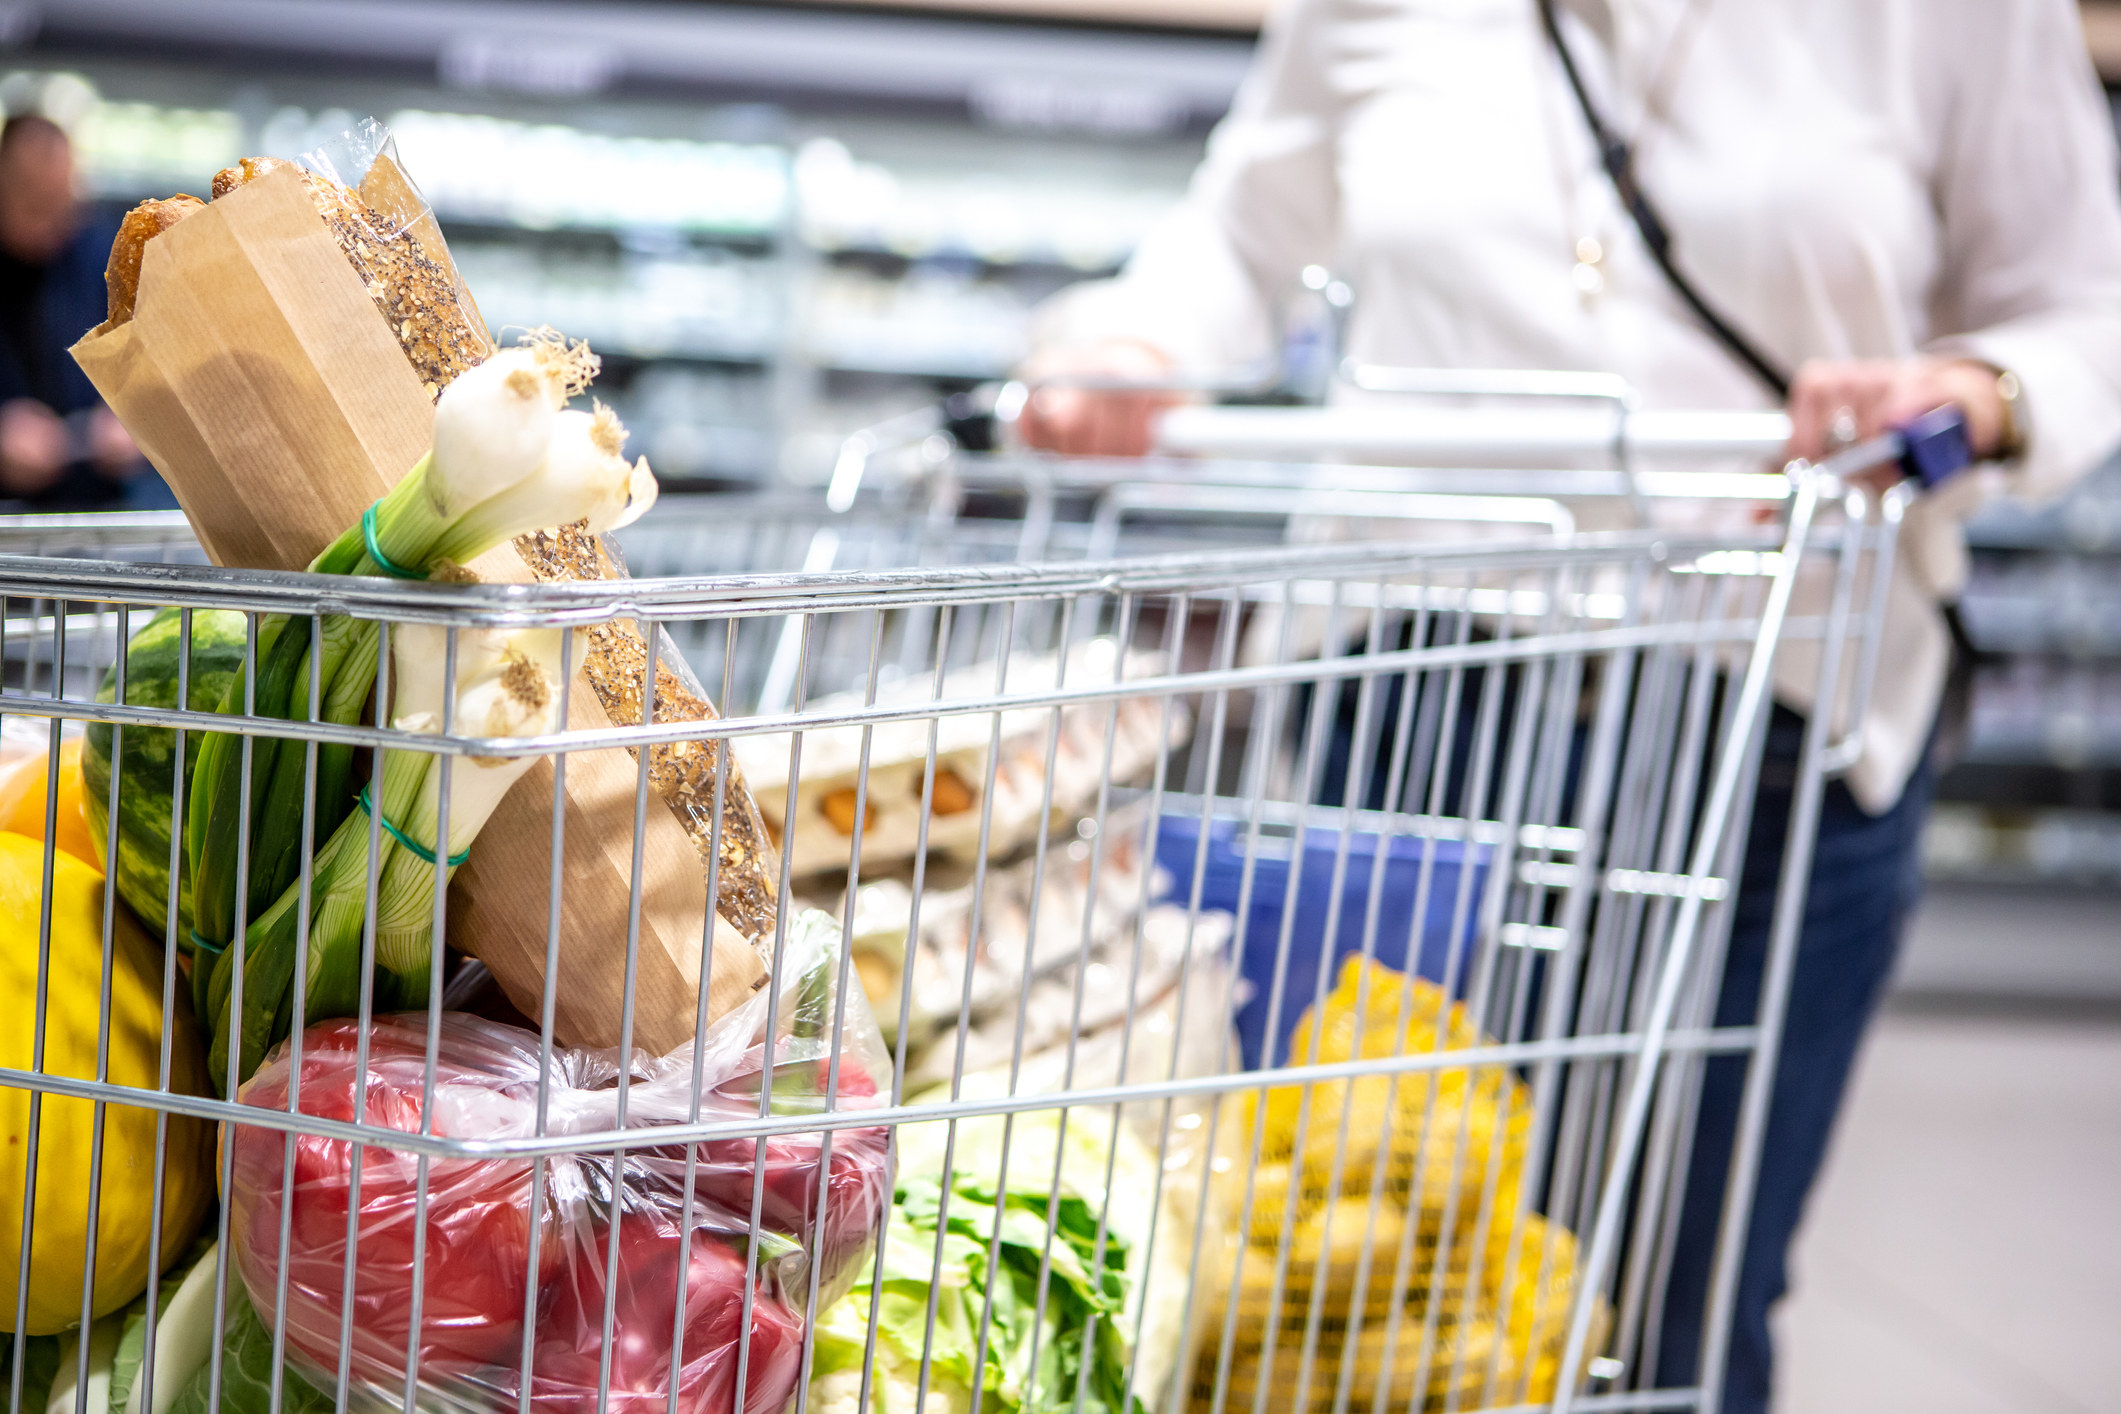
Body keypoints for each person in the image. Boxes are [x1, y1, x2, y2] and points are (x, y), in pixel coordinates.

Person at [1015, 1, 2121, 1409]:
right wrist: (1125, 344)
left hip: (1767, 713)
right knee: (1359, 1285)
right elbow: (1240, 232)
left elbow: (2085, 304)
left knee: (1683, 1299)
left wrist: (1976, 389)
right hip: (1416, 708)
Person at [0, 112, 171, 509]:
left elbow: (154, 369)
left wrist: (135, 423)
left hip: (99, 503)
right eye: (35, 206)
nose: (53, 227)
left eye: (63, 206)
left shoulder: (102, 257)